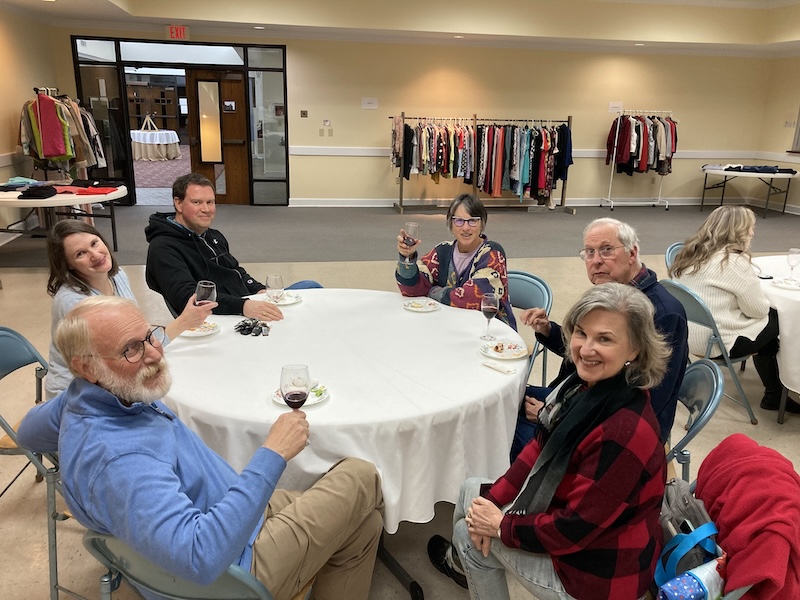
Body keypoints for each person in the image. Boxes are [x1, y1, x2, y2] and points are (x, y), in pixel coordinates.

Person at [17, 296, 384, 600]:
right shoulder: (122, 461)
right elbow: (202, 557)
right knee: (361, 475)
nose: (153, 354)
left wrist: (71, 412)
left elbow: (28, 434)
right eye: (130, 349)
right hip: (233, 565)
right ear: (87, 366)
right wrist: (272, 455)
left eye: (149, 336)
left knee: (366, 525)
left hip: (226, 511)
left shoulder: (87, 397)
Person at [428, 283, 669, 600]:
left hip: (599, 575)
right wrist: (491, 503)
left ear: (635, 349)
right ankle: (465, 560)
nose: (585, 348)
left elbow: (574, 529)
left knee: (466, 534)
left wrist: (500, 526)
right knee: (473, 489)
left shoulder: (623, 431)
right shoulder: (585, 387)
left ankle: (467, 557)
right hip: (584, 530)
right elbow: (539, 448)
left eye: (605, 339)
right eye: (582, 333)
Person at [512, 217, 688, 459]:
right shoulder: (612, 293)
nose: (596, 261)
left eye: (606, 250)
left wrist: (556, 415)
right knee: (503, 402)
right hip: (577, 398)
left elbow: (648, 400)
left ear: (632, 253)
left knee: (503, 434)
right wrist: (548, 330)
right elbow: (589, 355)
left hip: (611, 433)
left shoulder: (663, 313)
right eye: (589, 252)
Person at [44, 219, 214, 399]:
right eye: (80, 253)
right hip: (81, 392)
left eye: (94, 243)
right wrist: (184, 321)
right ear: (68, 265)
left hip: (117, 372)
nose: (95, 254)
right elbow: (121, 358)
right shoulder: (73, 303)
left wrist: (185, 321)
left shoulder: (117, 276)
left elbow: (136, 343)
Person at [669, 205, 797, 413]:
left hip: (687, 335)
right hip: (719, 342)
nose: (753, 233)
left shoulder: (690, 253)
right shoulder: (733, 262)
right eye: (751, 228)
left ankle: (774, 392)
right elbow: (757, 310)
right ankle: (781, 388)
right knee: (781, 317)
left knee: (768, 331)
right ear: (739, 231)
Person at [145, 173, 321, 321]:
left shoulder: (213, 236)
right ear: (178, 203)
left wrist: (258, 289)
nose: (206, 209)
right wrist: (243, 306)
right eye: (197, 202)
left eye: (210, 202)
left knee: (311, 286)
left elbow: (236, 271)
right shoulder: (163, 248)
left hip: (245, 302)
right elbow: (188, 297)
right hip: (223, 316)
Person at [395, 193, 516, 329]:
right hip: (450, 327)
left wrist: (433, 291)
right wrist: (408, 257)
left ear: (482, 224)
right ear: (450, 225)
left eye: (472, 220)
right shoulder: (443, 251)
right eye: (459, 220)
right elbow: (410, 290)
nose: (465, 228)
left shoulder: (493, 253)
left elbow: (472, 299)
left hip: (491, 333)